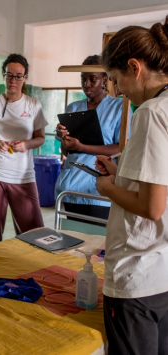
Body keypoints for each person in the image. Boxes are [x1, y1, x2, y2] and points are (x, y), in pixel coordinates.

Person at [93, 16, 168, 355]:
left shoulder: (150, 113)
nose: (116, 90)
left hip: (137, 277)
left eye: (114, 79)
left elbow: (152, 207)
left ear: (134, 68)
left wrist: (107, 187)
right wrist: (119, 172)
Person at [0, 54, 48, 242]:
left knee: (34, 231)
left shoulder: (33, 105)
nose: (13, 80)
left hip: (23, 176)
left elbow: (40, 138)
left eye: (18, 76)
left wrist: (27, 144)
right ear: (3, 74)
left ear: (25, 77)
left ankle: (31, 269)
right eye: (9, 75)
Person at [55, 55, 131, 224]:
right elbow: (67, 151)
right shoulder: (73, 108)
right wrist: (64, 139)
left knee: (96, 241)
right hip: (71, 185)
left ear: (105, 80)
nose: (86, 84)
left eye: (92, 79)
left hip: (99, 187)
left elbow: (122, 148)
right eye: (83, 79)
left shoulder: (119, 107)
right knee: (72, 237)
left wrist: (82, 146)